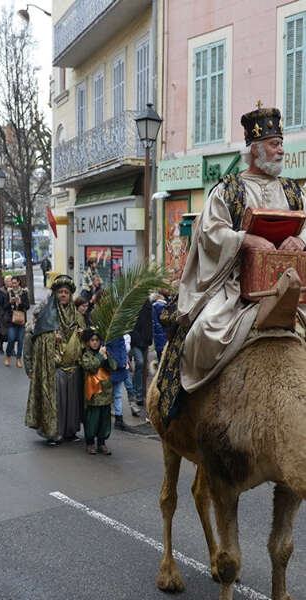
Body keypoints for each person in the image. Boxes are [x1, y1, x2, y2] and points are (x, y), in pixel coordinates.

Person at [158, 105, 306, 422]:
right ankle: (194, 417)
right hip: (237, 288)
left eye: (281, 142)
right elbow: (210, 233)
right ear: (254, 150)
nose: (281, 149)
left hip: (292, 287)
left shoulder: (294, 190)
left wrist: (301, 240)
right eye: (274, 144)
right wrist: (244, 239)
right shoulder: (228, 189)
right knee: (205, 332)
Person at [25, 274, 85, 445]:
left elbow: (89, 340)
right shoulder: (48, 316)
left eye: (66, 292)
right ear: (56, 295)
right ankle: (53, 432)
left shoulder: (78, 317)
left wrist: (83, 335)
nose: (64, 295)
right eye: (61, 292)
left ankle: (70, 431)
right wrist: (52, 338)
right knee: (56, 401)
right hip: (55, 368)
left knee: (72, 402)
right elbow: (38, 340)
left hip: (73, 366)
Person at [81, 328, 117, 455]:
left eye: (97, 340)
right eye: (92, 340)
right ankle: (90, 443)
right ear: (88, 342)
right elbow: (90, 367)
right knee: (92, 419)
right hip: (94, 393)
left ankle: (102, 443)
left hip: (106, 392)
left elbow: (113, 367)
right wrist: (100, 356)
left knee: (105, 419)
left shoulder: (104, 352)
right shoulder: (86, 355)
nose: (95, 343)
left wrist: (106, 358)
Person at [129, 299, 153, 406]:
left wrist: (149, 337)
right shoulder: (133, 303)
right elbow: (129, 324)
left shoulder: (148, 304)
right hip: (135, 341)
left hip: (145, 340)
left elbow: (150, 323)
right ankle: (137, 393)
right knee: (140, 363)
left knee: (142, 367)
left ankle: (139, 393)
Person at [3, 276, 30, 368]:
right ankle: (8, 356)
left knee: (20, 340)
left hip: (21, 320)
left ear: (19, 282)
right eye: (12, 283)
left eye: (15, 283)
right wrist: (10, 302)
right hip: (12, 320)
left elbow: (27, 306)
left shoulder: (24, 293)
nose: (13, 285)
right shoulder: (9, 293)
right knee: (11, 339)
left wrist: (21, 303)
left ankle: (18, 359)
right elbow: (4, 307)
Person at [0, 275, 12, 354]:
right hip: (4, 314)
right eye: (9, 281)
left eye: (11, 280)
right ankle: (1, 345)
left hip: (12, 314)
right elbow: (0, 304)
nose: (11, 282)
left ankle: (11, 348)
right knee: (3, 332)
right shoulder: (1, 291)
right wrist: (2, 315)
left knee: (12, 332)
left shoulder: (13, 290)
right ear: (5, 282)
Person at [152, 292, 168, 363]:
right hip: (164, 335)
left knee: (160, 357)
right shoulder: (164, 306)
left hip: (158, 336)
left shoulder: (154, 307)